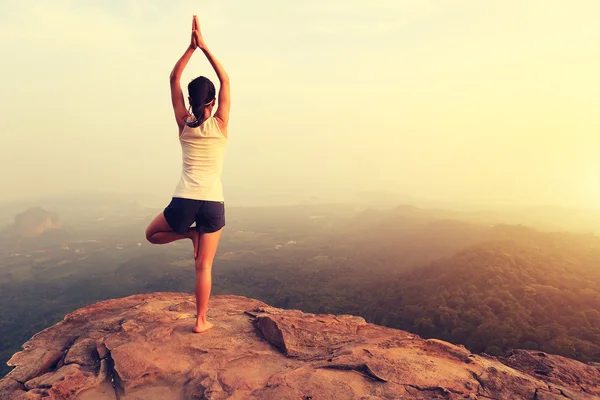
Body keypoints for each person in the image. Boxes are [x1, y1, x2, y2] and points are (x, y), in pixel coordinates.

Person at [145, 15, 230, 333]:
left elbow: (173, 78)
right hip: (212, 202)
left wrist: (190, 49)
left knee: (151, 234)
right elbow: (226, 81)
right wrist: (205, 47)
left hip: (183, 200)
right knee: (204, 265)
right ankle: (201, 321)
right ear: (213, 101)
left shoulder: (184, 122)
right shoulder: (220, 123)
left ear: (192, 102)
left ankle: (187, 234)